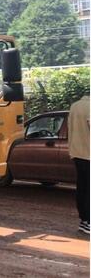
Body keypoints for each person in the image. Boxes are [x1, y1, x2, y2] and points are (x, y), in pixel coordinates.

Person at [68, 94, 89, 235]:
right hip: (89, 153)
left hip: (76, 153)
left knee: (82, 187)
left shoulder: (75, 106)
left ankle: (84, 221)